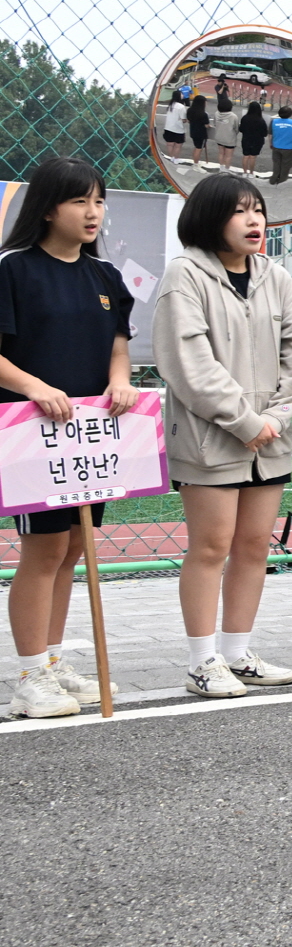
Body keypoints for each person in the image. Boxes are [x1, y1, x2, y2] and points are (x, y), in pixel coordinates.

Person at [154, 174, 292, 697]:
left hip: (271, 438)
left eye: (258, 209)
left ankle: (238, 652)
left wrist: (277, 419)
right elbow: (190, 365)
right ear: (210, 217)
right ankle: (202, 660)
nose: (254, 220)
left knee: (252, 546)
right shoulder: (185, 275)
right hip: (211, 438)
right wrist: (246, 422)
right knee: (211, 546)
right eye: (240, 211)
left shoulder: (277, 277)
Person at [0, 158, 139, 717]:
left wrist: (121, 381)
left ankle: (52, 661)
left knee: (74, 546)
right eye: (80, 200)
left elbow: (119, 345)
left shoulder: (104, 275)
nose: (92, 212)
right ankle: (30, 674)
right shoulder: (12, 268)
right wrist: (35, 387)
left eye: (99, 201)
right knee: (44, 548)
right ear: (48, 207)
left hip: (91, 436)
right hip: (35, 435)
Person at [266, 105, 292, 184]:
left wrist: (271, 143)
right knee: (286, 164)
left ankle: (274, 178)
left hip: (276, 146)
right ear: (290, 114)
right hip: (290, 148)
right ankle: (282, 178)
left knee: (276, 163)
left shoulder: (273, 122)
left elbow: (270, 135)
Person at [210, 97, 241, 173]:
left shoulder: (216, 113)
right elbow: (236, 128)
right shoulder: (233, 116)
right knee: (228, 155)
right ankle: (226, 169)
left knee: (221, 153)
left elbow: (214, 124)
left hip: (219, 137)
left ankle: (221, 167)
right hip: (229, 139)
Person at [236, 101, 268, 175]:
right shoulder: (261, 120)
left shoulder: (245, 118)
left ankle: (244, 172)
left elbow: (241, 129)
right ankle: (251, 173)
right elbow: (264, 133)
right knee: (253, 157)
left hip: (246, 139)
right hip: (257, 141)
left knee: (245, 156)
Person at [160, 90, 191, 162]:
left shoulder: (171, 105)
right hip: (178, 129)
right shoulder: (181, 107)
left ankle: (172, 158)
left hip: (168, 127)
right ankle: (176, 158)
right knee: (178, 145)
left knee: (170, 144)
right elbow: (183, 119)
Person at [185, 94, 210, 170]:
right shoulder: (204, 114)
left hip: (193, 132)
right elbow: (206, 125)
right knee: (199, 148)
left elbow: (188, 120)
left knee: (196, 147)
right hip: (201, 134)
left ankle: (195, 162)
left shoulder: (189, 110)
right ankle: (196, 164)